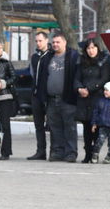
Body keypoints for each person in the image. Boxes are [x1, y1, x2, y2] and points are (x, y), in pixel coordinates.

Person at [36, 31, 80, 162]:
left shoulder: (73, 56)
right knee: (54, 127)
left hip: (67, 98)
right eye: (53, 42)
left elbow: (77, 76)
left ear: (65, 42)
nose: (55, 44)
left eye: (58, 42)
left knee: (70, 127)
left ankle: (71, 153)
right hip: (51, 99)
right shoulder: (47, 57)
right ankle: (57, 152)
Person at [75, 38, 110, 163]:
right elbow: (76, 78)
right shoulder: (82, 62)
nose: (91, 51)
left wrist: (89, 89)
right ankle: (87, 153)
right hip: (84, 100)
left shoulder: (104, 62)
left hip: (97, 98)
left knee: (95, 127)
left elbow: (104, 79)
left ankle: (94, 153)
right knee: (86, 128)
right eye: (89, 48)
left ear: (98, 48)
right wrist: (80, 88)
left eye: (93, 48)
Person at [27, 31, 50, 160]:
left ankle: (56, 151)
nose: (38, 43)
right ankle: (41, 151)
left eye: (40, 40)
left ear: (46, 41)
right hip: (35, 95)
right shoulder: (35, 57)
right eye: (36, 41)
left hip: (48, 95)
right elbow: (32, 74)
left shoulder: (50, 56)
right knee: (38, 125)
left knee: (52, 124)